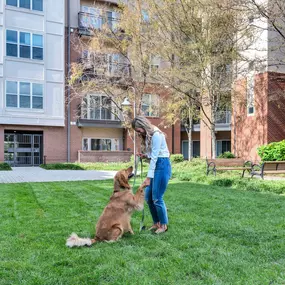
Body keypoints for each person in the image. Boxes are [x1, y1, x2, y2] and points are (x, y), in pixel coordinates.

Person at [131, 116, 171, 234]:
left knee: (157, 198)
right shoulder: (149, 135)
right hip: (157, 164)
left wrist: (148, 178)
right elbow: (152, 155)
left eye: (138, 130)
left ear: (143, 125)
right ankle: (156, 223)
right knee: (148, 197)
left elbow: (155, 158)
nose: (138, 133)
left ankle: (163, 225)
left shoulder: (157, 135)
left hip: (162, 165)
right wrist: (145, 156)